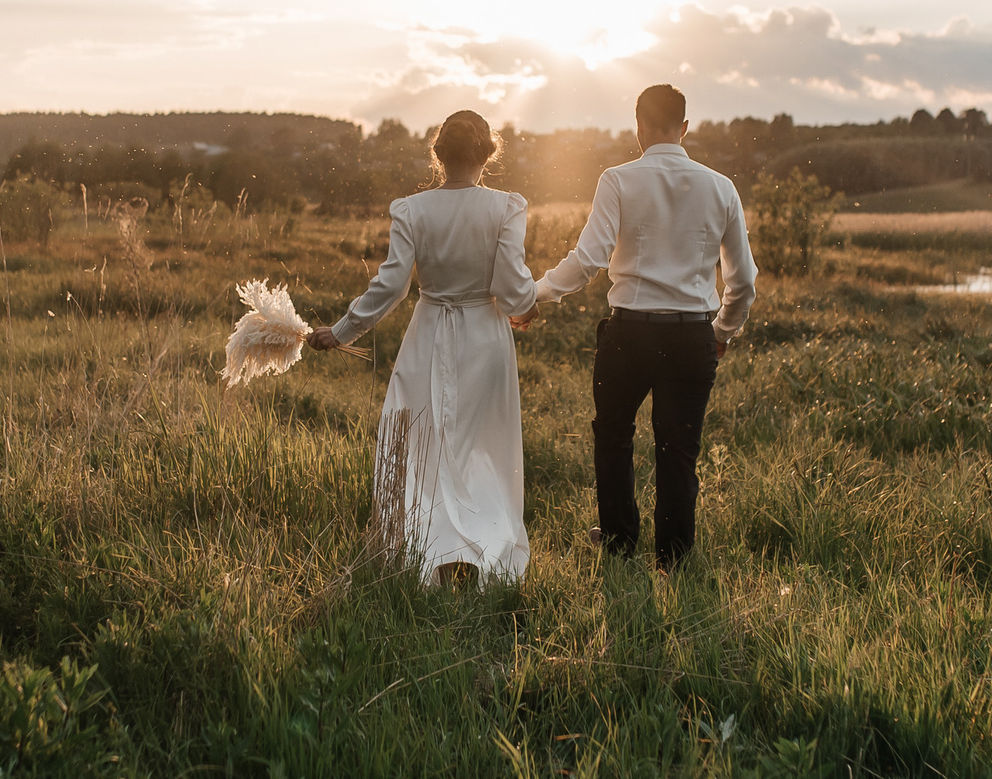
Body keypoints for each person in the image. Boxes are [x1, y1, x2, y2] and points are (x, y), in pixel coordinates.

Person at [308, 110, 539, 586]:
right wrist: (527, 305)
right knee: (485, 446)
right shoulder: (506, 207)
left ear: (438, 154)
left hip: (428, 332)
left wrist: (342, 330)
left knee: (421, 442)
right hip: (486, 336)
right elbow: (513, 285)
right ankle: (484, 551)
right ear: (487, 153)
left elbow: (391, 286)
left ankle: (426, 548)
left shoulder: (412, 210)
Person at [529, 83, 755, 568]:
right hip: (692, 335)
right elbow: (743, 282)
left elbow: (588, 260)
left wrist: (536, 293)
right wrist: (721, 333)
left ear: (638, 127)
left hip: (629, 334)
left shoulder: (617, 179)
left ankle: (618, 543)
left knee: (613, 436)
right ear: (684, 127)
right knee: (679, 451)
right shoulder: (721, 187)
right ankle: (672, 559)